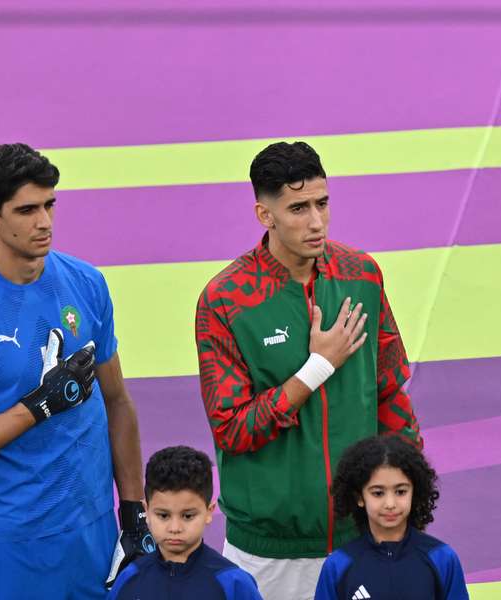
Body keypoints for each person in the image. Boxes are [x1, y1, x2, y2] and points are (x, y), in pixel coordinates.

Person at [194, 141, 423, 600]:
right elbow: (234, 429)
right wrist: (317, 367)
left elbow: (389, 394)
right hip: (271, 553)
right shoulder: (225, 300)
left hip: (362, 535)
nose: (315, 222)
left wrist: (408, 501)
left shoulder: (363, 275)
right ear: (265, 214)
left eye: (322, 203)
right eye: (298, 208)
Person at [0, 143, 147, 598]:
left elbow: (117, 401)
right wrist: (38, 406)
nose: (44, 222)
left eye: (49, 205)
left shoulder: (87, 283)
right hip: (8, 542)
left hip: (93, 529)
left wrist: (134, 509)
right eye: (26, 210)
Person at [315, 435, 468, 600]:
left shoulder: (442, 559)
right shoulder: (338, 566)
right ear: (359, 497)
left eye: (400, 491)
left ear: (414, 493)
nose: (390, 503)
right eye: (378, 493)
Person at [107, 446, 262, 600]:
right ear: (146, 511)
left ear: (209, 511)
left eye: (187, 516)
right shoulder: (130, 579)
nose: (175, 528)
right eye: (163, 515)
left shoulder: (233, 584)